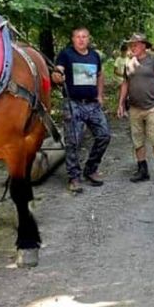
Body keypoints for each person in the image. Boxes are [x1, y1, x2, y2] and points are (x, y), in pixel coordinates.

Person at [53, 27, 110, 194]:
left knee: (104, 135)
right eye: (78, 37)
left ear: (89, 39)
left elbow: (100, 75)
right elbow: (58, 71)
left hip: (92, 104)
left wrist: (100, 95)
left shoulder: (94, 56)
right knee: (73, 142)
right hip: (73, 103)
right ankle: (74, 177)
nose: (81, 39)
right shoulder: (66, 54)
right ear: (73, 39)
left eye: (84, 36)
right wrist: (56, 75)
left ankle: (90, 169)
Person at [117, 33, 154, 188]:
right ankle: (142, 170)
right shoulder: (129, 62)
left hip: (152, 106)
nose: (132, 47)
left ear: (143, 45)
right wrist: (120, 103)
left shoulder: (153, 60)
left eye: (135, 44)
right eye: (130, 44)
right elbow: (125, 83)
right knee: (137, 140)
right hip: (134, 107)